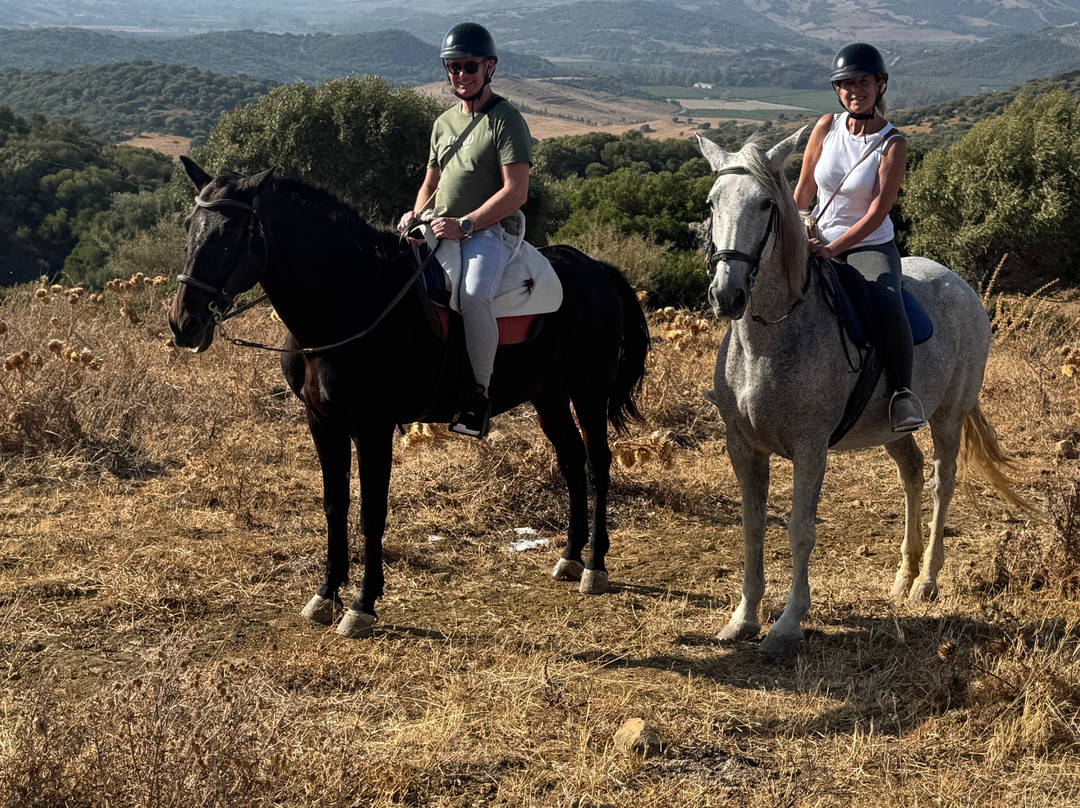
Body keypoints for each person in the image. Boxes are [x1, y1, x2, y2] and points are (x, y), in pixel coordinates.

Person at [397, 22, 532, 439]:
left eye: (468, 66)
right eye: (452, 67)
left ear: (489, 67)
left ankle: (478, 393)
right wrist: (418, 216)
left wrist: (467, 224)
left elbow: (516, 191)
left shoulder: (506, 120)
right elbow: (430, 184)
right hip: (441, 226)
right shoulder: (442, 123)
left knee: (473, 296)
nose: (460, 75)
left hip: (489, 232)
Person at [793, 42, 925, 433]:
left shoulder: (892, 143)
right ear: (838, 90)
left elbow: (876, 213)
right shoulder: (826, 127)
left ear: (880, 84)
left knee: (887, 303)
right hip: (815, 240)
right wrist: (802, 229)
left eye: (863, 81)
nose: (855, 90)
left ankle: (903, 395)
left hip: (867, 248)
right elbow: (802, 192)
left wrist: (831, 249)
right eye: (846, 84)